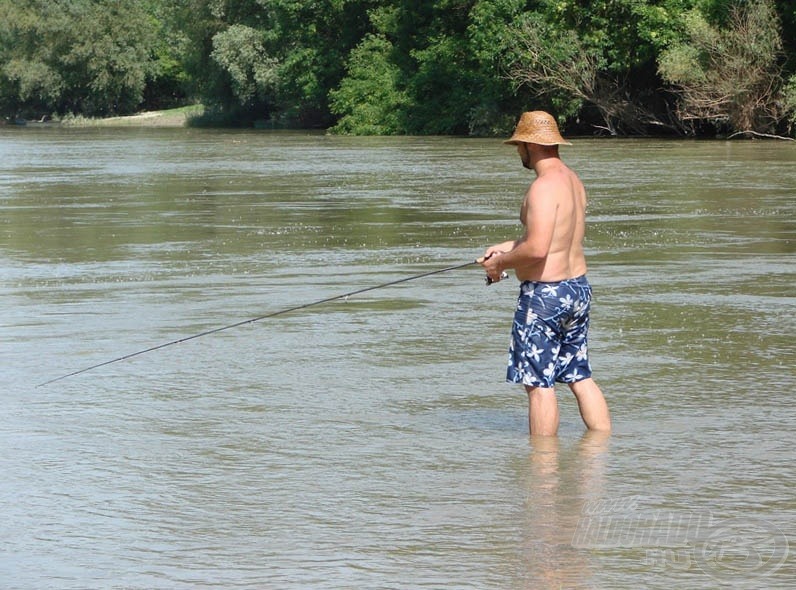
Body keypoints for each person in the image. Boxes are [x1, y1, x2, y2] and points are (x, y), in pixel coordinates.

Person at [480, 111, 611, 436]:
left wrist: (499, 264)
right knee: (579, 375)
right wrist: (506, 248)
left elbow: (538, 250)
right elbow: (554, 240)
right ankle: (602, 453)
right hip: (577, 290)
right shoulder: (572, 181)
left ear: (528, 145)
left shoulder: (541, 188)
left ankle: (543, 472)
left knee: (538, 383)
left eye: (518, 146)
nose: (517, 152)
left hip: (545, 297)